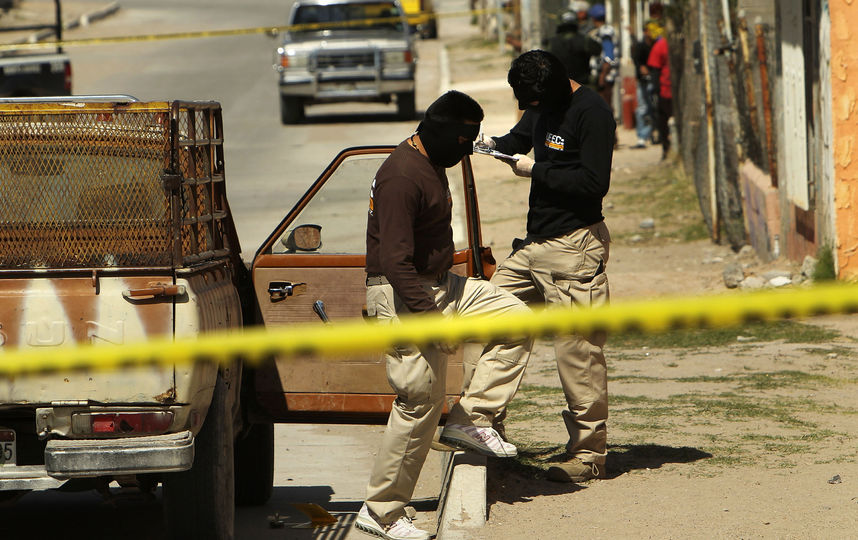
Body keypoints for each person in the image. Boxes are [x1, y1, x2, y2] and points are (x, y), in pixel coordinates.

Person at [355, 90, 533, 540]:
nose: (467, 149)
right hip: (405, 296)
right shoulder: (401, 176)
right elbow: (394, 263)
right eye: (465, 140)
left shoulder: (431, 159)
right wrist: (430, 319)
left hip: (440, 284)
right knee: (418, 404)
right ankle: (381, 512)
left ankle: (469, 420)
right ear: (442, 134)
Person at [478, 49, 614, 483]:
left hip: (575, 247)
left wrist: (538, 170)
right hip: (533, 244)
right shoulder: (540, 105)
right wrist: (489, 146)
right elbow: (518, 140)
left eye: (532, 102)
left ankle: (588, 455)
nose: (528, 110)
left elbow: (595, 183)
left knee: (578, 352)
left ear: (554, 88)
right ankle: (482, 425)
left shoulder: (591, 112)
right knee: (487, 315)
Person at [547, 11, 602, 86]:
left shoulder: (551, 43)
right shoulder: (585, 40)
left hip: (560, 88)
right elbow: (598, 50)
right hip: (582, 87)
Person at [630, 21, 660, 148]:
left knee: (656, 108)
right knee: (643, 109)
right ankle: (642, 137)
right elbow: (637, 62)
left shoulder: (657, 45)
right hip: (643, 82)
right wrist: (642, 68)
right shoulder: (640, 47)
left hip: (656, 82)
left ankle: (657, 134)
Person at [587, 3, 619, 113]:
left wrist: (602, 76)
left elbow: (608, 57)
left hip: (605, 76)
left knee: (605, 107)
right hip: (605, 75)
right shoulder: (603, 30)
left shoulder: (605, 31)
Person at [647, 28, 673, 160]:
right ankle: (667, 149)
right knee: (663, 123)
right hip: (665, 90)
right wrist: (656, 90)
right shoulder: (661, 45)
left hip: (673, 91)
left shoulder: (672, 43)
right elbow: (655, 70)